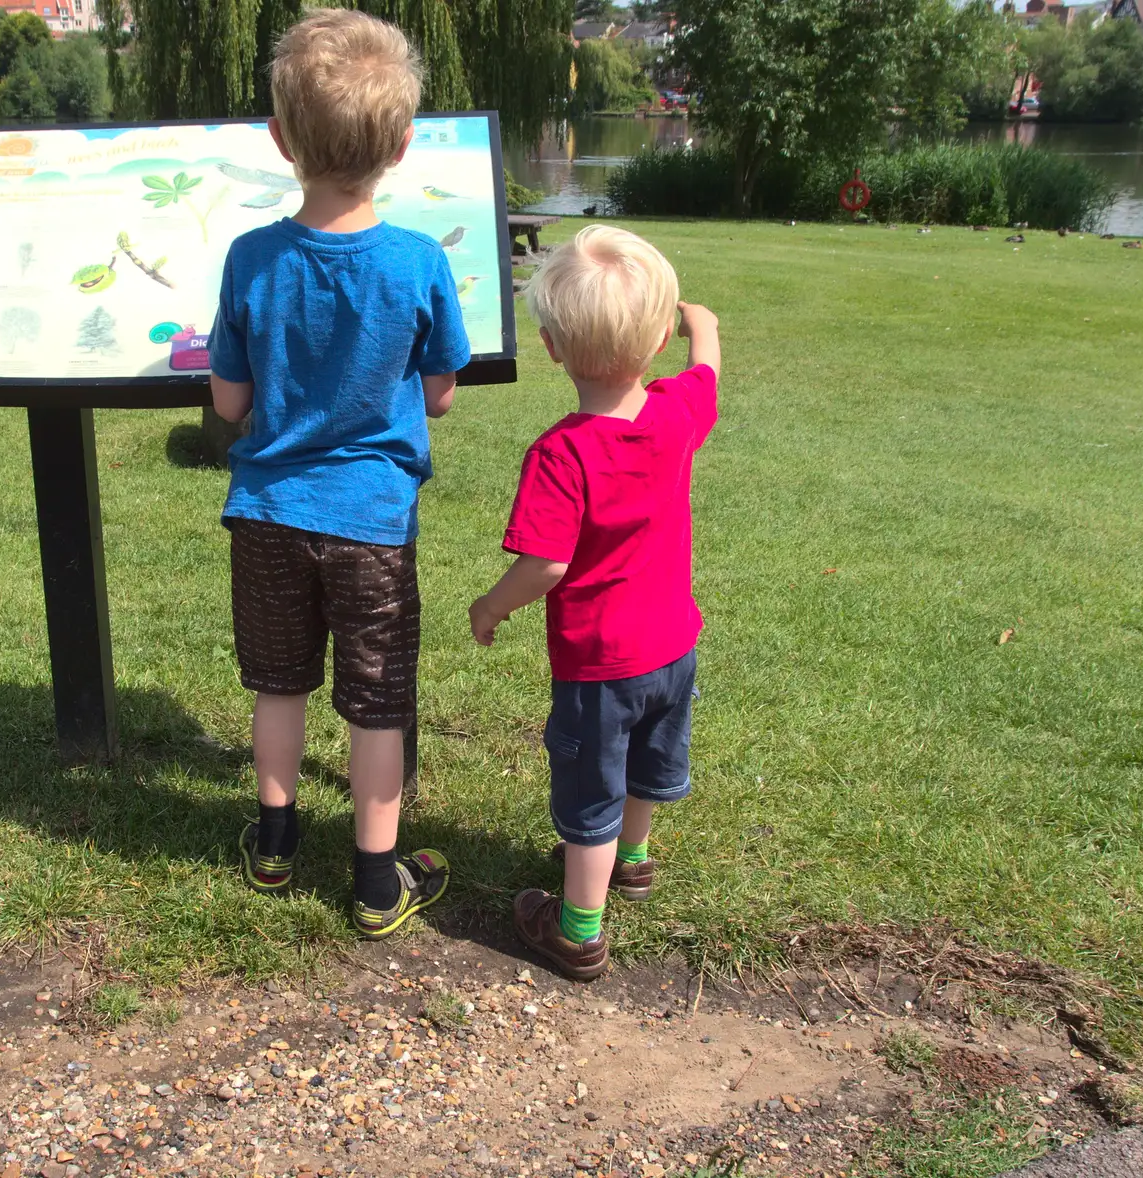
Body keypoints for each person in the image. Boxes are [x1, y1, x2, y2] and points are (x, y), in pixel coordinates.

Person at [207, 9, 470, 939]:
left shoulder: (250, 259)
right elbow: (440, 393)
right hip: (372, 522)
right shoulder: (419, 262)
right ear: (402, 147)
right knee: (375, 698)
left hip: (269, 512)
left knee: (278, 684)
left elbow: (230, 405)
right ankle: (372, 881)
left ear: (281, 140)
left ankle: (275, 844)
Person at [468, 225, 720, 981]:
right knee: (647, 760)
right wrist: (698, 322)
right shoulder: (677, 413)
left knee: (590, 786)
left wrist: (490, 605)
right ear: (655, 344)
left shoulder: (561, 453)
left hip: (599, 666)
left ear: (551, 348)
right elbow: (706, 361)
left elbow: (545, 563)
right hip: (674, 646)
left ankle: (577, 928)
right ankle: (633, 863)